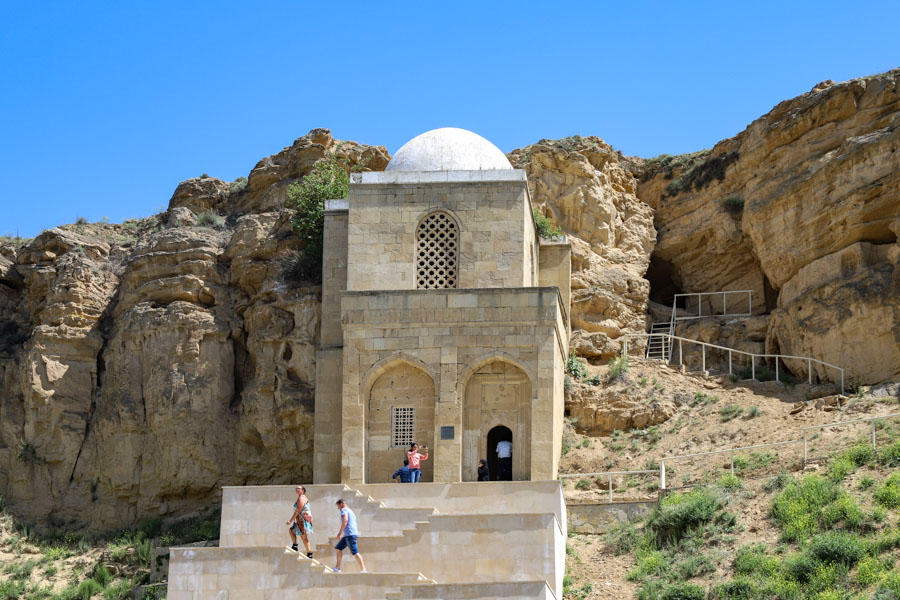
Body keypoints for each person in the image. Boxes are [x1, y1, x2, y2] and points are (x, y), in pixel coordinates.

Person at [333, 499, 366, 573]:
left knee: (355, 553)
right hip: (348, 535)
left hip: (350, 535)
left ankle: (363, 569)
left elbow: (345, 520)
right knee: (338, 548)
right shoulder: (350, 511)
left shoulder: (344, 510)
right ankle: (337, 567)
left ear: (341, 504)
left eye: (338, 506)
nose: (338, 508)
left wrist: (339, 533)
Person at [286, 485, 314, 558]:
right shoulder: (299, 498)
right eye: (296, 488)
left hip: (303, 519)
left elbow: (298, 510)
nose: (297, 489)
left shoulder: (302, 498)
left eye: (299, 488)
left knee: (303, 536)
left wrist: (290, 520)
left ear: (303, 490)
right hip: (300, 519)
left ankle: (309, 552)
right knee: (292, 531)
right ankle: (296, 546)